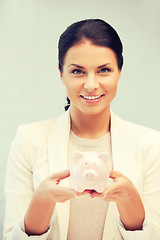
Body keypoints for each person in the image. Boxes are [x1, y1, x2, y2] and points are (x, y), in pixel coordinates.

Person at [3, 19, 160, 240]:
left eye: (104, 70)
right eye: (77, 71)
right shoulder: (28, 140)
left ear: (119, 72)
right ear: (61, 74)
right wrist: (42, 202)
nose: (91, 85)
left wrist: (130, 202)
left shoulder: (151, 145)